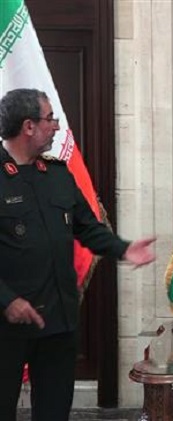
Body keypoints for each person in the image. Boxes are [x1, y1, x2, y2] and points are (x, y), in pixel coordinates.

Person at [0, 88, 156, 420]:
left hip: (58, 321)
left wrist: (124, 248)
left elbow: (87, 227)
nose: (56, 126)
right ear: (28, 126)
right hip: (7, 325)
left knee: (54, 412)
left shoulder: (56, 174)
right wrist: (7, 300)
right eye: (50, 119)